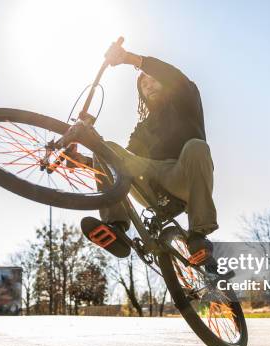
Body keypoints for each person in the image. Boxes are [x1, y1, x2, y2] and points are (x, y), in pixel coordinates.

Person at [71, 41, 218, 265]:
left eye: (152, 80)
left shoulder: (185, 100)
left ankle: (199, 234)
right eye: (143, 84)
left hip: (183, 176)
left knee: (196, 147)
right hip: (150, 183)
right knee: (108, 148)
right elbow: (117, 162)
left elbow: (175, 77)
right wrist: (80, 161)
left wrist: (131, 59)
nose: (147, 85)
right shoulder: (143, 128)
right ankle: (116, 228)